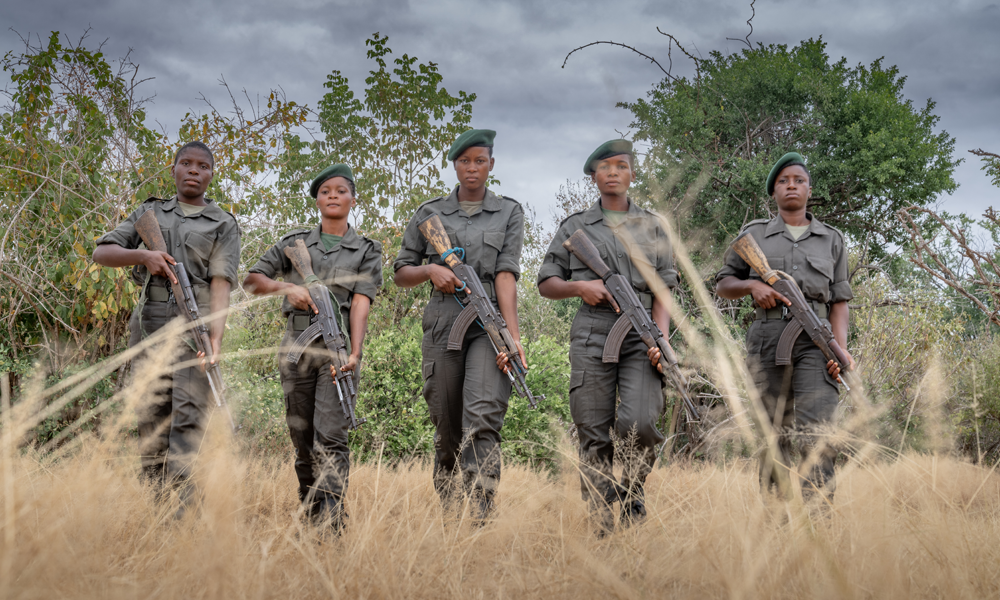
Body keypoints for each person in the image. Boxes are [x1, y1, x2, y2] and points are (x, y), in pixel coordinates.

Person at [537, 139, 678, 534]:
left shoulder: (654, 226)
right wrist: (580, 288)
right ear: (594, 176)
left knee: (642, 423)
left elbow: (665, 288)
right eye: (605, 166)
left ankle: (633, 492)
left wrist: (661, 339)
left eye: (621, 165)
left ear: (633, 173)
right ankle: (601, 517)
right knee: (592, 428)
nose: (613, 172)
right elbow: (546, 282)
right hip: (593, 332)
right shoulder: (575, 226)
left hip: (643, 335)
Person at [93, 141, 241, 510]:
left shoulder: (222, 222)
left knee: (189, 415)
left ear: (211, 174)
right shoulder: (150, 212)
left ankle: (184, 510)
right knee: (151, 414)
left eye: (203, 166)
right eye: (186, 163)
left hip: (196, 326)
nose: (194, 170)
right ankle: (155, 507)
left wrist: (215, 339)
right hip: (150, 324)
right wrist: (143, 255)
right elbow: (102, 252)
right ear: (173, 169)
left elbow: (222, 283)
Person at [394, 129, 525, 521]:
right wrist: (431, 270)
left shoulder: (508, 212)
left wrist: (512, 338)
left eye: (480, 161)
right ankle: (451, 514)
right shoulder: (429, 214)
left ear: (491, 164)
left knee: (482, 417)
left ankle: (480, 517)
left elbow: (506, 275)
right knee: (448, 427)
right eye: (465, 161)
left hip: (487, 325)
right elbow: (401, 272)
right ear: (454, 165)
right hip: (443, 322)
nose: (472, 168)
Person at [244, 164, 382, 529]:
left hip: (338, 349)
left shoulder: (367, 250)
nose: (333, 196)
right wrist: (287, 289)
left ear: (354, 198)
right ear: (317, 199)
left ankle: (332, 522)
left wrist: (354, 352)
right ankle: (310, 512)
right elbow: (252, 280)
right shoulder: (294, 243)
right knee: (303, 438)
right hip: (298, 344)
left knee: (332, 437)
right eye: (325, 191)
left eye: (341, 190)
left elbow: (362, 302)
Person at [715, 151, 854, 502]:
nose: (791, 186)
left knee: (818, 432)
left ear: (810, 189)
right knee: (771, 434)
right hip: (767, 339)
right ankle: (775, 523)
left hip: (815, 342)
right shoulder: (753, 234)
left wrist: (838, 350)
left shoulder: (832, 239)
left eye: (799, 180)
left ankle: (817, 523)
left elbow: (839, 302)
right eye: (783, 181)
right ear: (774, 192)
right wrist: (753, 286)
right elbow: (723, 284)